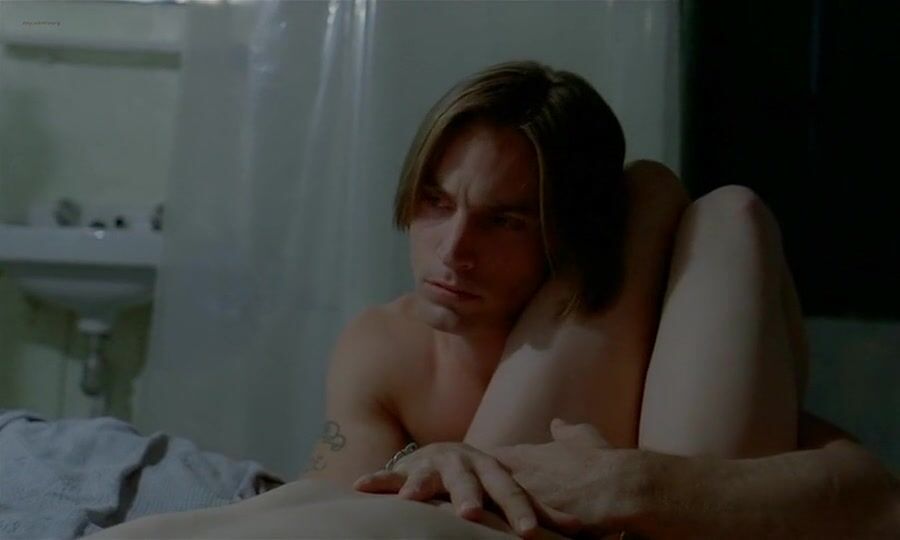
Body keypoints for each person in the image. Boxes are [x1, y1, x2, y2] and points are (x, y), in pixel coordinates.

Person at [89, 61, 899, 539]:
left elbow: (872, 496)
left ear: (567, 239)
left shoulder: (647, 321)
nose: (453, 250)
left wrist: (630, 483)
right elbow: (337, 498)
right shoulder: (388, 346)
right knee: (659, 190)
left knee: (725, 210)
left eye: (506, 220)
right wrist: (420, 462)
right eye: (436, 202)